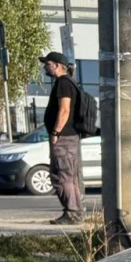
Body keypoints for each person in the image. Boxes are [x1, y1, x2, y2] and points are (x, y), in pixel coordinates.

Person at [40, 52, 83, 225]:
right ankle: (73, 212)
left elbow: (64, 110)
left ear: (57, 65)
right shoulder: (67, 83)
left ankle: (72, 213)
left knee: (61, 176)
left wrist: (56, 133)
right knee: (68, 176)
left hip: (64, 138)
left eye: (47, 63)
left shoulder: (64, 84)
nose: (44, 67)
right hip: (69, 137)